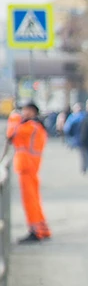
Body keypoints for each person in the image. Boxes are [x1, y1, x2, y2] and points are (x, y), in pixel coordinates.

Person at [2, 103, 51, 243]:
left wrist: (13, 118)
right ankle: (42, 228)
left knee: (30, 201)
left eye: (25, 110)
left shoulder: (31, 127)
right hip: (30, 167)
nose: (23, 113)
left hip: (27, 167)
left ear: (32, 111)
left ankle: (35, 231)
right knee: (34, 200)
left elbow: (11, 134)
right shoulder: (36, 127)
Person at [63, 101, 88, 173]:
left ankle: (84, 167)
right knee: (86, 153)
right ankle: (86, 166)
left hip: (78, 138)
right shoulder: (85, 116)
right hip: (86, 138)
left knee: (82, 154)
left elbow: (67, 128)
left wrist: (70, 136)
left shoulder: (73, 117)